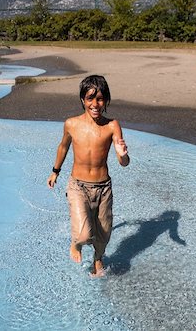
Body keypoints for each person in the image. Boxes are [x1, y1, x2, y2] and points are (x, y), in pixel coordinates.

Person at [47, 74, 129, 277]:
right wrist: (55, 171)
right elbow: (63, 147)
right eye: (90, 98)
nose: (95, 104)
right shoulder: (71, 124)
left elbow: (124, 163)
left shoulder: (112, 125)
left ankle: (97, 259)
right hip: (78, 186)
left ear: (106, 100)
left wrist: (123, 156)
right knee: (84, 235)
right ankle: (76, 244)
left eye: (100, 98)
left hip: (103, 189)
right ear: (83, 99)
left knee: (103, 235)